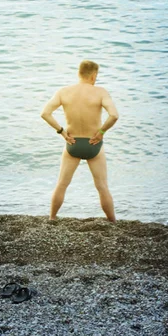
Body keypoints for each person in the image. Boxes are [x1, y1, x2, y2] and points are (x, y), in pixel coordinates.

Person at [41, 60, 119, 222]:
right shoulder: (101, 92)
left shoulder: (64, 92)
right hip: (94, 144)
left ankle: (52, 218)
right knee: (102, 187)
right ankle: (112, 221)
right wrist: (101, 132)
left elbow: (45, 113)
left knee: (62, 184)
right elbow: (114, 115)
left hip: (73, 143)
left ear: (79, 74)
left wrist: (62, 132)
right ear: (94, 75)